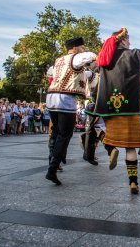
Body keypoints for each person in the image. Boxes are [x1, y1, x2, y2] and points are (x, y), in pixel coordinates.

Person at [87, 27, 140, 194]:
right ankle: (133, 182)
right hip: (130, 110)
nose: (130, 43)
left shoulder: (103, 60)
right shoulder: (133, 54)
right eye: (128, 40)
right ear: (123, 40)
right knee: (131, 148)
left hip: (107, 109)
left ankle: (110, 148)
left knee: (96, 128)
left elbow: (90, 68)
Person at [45, 36, 96, 185]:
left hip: (51, 97)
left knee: (55, 132)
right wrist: (97, 58)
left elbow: (50, 74)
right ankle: (52, 169)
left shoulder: (58, 61)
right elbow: (91, 56)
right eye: (81, 47)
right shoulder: (76, 57)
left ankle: (52, 162)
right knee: (64, 135)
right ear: (74, 48)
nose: (82, 50)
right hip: (65, 99)